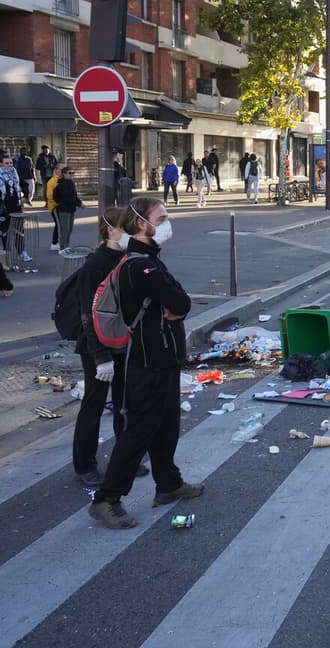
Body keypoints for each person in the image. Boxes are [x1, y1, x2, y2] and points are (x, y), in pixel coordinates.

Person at [88, 196, 201, 529]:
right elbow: (180, 299)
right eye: (161, 218)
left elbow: (177, 299)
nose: (167, 223)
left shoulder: (147, 260)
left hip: (163, 358)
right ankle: (106, 499)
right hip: (147, 361)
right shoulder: (141, 265)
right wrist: (177, 305)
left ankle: (168, 483)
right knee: (138, 433)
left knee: (166, 426)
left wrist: (176, 304)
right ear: (141, 224)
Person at [72, 208, 148, 485]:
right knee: (93, 406)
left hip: (124, 343)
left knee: (124, 405)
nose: (131, 233)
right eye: (125, 228)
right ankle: (85, 466)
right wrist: (100, 356)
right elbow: (87, 315)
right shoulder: (94, 266)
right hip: (98, 348)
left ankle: (124, 459)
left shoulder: (129, 258)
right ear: (109, 231)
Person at [0, 155, 28, 260]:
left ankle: (22, 252)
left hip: (16, 207)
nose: (9, 165)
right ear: (1, 164)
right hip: (3, 209)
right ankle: (6, 254)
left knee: (19, 231)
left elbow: (24, 184)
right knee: (5, 231)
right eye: (7, 163)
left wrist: (26, 195)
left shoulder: (15, 173)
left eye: (11, 163)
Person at [52, 166, 84, 250]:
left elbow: (74, 196)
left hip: (71, 208)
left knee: (69, 229)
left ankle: (66, 245)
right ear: (64, 174)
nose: (72, 175)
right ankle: (63, 247)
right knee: (65, 230)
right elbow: (66, 198)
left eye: (73, 173)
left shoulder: (71, 183)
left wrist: (79, 202)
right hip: (64, 209)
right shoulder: (62, 184)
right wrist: (78, 204)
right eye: (70, 173)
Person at [46, 166, 62, 250]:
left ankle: (60, 242)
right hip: (55, 207)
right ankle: (54, 243)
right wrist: (58, 203)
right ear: (56, 170)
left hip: (62, 206)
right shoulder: (52, 182)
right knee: (58, 224)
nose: (62, 172)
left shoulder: (62, 180)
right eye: (61, 170)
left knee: (61, 224)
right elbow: (49, 196)